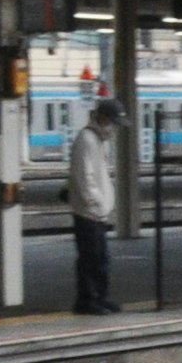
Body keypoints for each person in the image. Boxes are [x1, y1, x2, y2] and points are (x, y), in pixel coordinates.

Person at [67, 100, 125, 313]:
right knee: (91, 258)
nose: (114, 128)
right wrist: (95, 201)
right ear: (103, 118)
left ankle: (101, 296)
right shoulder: (87, 140)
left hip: (97, 212)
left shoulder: (99, 140)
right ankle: (87, 300)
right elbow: (84, 176)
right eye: (113, 122)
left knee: (101, 258)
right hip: (88, 212)